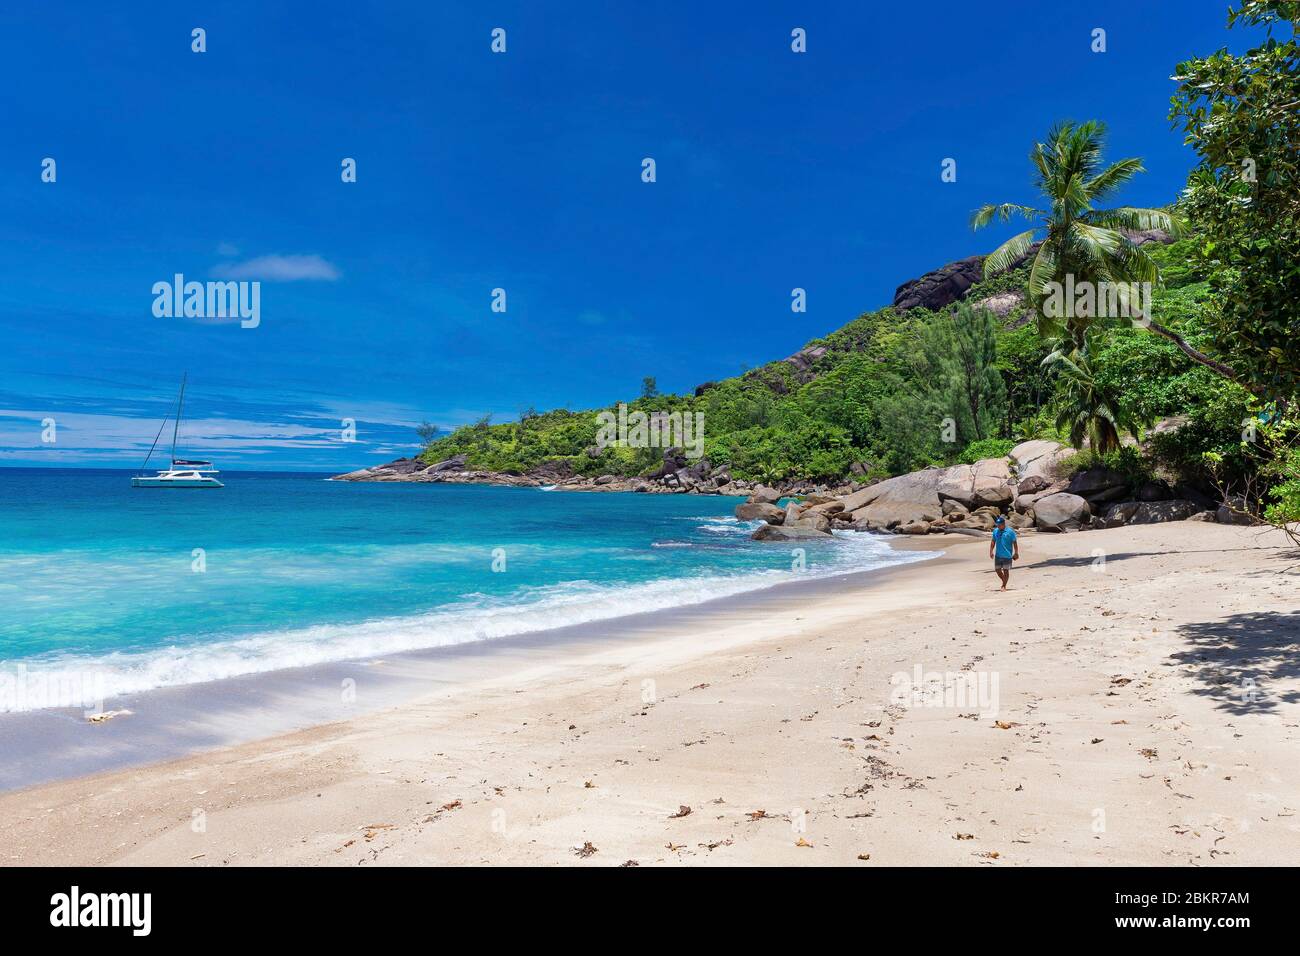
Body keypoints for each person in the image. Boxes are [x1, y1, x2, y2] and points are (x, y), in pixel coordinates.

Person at [989, 514, 1019, 591]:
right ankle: (1004, 580)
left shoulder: (1010, 532)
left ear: (1004, 524)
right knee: (997, 570)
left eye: (999, 525)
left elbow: (1014, 542)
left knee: (1006, 571)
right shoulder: (995, 531)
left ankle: (1004, 586)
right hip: (998, 555)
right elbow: (993, 541)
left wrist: (1016, 553)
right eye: (997, 525)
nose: (998, 526)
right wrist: (991, 551)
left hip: (1007, 555)